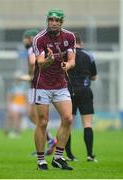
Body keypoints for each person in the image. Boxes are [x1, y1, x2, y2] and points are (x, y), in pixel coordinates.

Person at [31, 9, 76, 170]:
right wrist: (49, 60)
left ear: (61, 22)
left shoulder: (69, 37)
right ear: (47, 21)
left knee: (68, 118)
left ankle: (58, 157)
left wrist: (67, 65)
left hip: (61, 84)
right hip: (42, 85)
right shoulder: (39, 39)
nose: (53, 22)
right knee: (43, 122)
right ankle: (41, 160)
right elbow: (40, 64)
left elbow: (72, 60)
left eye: (57, 20)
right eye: (51, 19)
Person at [22, 29, 57, 155]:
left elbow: (33, 62)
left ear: (31, 38)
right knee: (34, 117)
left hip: (36, 85)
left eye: (25, 38)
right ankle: (50, 139)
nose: (23, 41)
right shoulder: (40, 47)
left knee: (35, 117)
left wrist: (29, 76)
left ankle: (47, 143)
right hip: (37, 84)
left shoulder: (33, 48)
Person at [65, 32, 98, 162]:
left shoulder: (66, 54)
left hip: (69, 91)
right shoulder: (88, 55)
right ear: (81, 42)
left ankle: (69, 155)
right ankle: (90, 155)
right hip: (85, 90)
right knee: (88, 124)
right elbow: (94, 76)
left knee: (67, 124)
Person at [4, 71, 29, 138]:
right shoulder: (12, 86)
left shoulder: (24, 86)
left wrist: (27, 106)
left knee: (19, 119)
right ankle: (11, 131)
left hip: (22, 105)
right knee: (14, 117)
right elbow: (9, 97)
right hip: (14, 105)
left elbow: (26, 97)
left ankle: (17, 132)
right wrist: (8, 105)